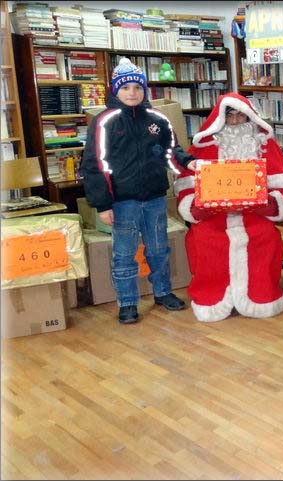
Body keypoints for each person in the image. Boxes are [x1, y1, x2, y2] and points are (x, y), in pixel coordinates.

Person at [80, 58, 195, 324]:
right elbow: (94, 163)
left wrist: (189, 162)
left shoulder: (158, 119)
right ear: (115, 91)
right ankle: (128, 303)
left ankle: (163, 292)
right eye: (126, 88)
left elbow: (171, 151)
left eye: (137, 87)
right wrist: (103, 204)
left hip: (154, 198)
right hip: (122, 202)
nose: (132, 92)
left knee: (158, 249)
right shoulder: (104, 121)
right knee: (124, 254)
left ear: (145, 90)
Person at [174, 92, 283, 322]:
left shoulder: (264, 144)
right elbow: (185, 185)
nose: (237, 120)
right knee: (204, 241)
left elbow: (282, 180)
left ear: (250, 116)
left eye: (242, 115)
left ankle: (261, 296)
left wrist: (271, 203)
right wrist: (196, 207)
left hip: (255, 216)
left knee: (266, 238)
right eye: (230, 116)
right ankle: (214, 298)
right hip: (214, 218)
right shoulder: (204, 146)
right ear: (221, 118)